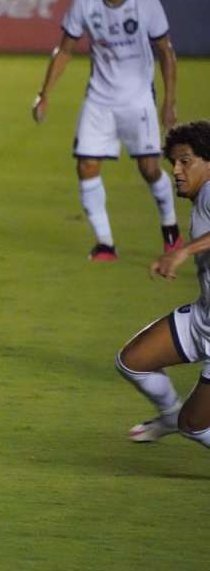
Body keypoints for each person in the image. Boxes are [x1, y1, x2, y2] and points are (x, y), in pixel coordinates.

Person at [32, 0, 180, 262]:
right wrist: (44, 95)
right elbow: (65, 51)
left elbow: (165, 53)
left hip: (138, 99)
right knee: (86, 165)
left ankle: (170, 227)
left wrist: (169, 100)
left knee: (150, 169)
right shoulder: (84, 4)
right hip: (99, 99)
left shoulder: (146, 3)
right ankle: (105, 244)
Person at [116, 120, 210, 449]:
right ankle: (170, 413)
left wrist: (183, 250)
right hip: (204, 317)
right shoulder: (202, 199)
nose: (177, 171)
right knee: (132, 361)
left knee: (195, 427)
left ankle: (179, 419)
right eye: (173, 163)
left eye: (186, 161)